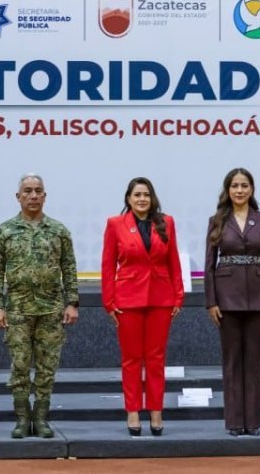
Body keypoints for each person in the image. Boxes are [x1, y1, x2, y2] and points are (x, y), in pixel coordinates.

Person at [0, 174, 79, 439]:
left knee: (47, 366)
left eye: (38, 191)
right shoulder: (5, 231)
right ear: (18, 197)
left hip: (51, 309)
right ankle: (21, 419)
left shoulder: (58, 230)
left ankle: (40, 419)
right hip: (17, 309)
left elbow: (69, 268)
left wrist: (71, 302)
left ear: (45, 196)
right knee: (19, 365)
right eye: (27, 191)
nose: (33, 195)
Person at [101, 177, 183, 436]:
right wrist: (109, 302)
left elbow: (174, 261)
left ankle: (156, 412)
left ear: (152, 197)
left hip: (161, 299)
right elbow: (107, 264)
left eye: (146, 194)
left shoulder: (166, 222)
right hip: (128, 300)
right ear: (128, 198)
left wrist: (178, 296)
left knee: (157, 360)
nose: (142, 199)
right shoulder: (115, 224)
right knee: (132, 360)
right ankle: (133, 412)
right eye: (137, 195)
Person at [202, 168, 260, 436]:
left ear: (252, 189)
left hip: (259, 297)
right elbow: (209, 264)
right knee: (232, 360)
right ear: (228, 190)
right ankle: (235, 422)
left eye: (244, 185)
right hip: (226, 298)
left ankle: (253, 422)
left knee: (254, 361)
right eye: (235, 185)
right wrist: (211, 301)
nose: (239, 190)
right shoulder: (217, 220)